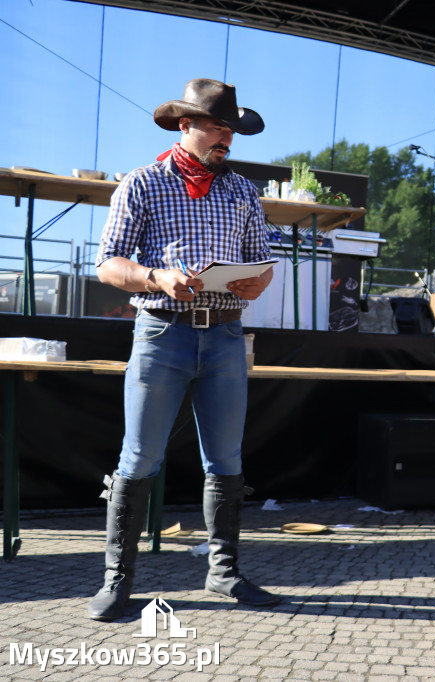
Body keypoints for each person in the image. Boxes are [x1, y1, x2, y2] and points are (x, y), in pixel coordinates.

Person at [87, 78, 280, 621]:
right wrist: (156, 276)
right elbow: (108, 263)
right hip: (161, 333)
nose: (226, 139)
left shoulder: (242, 190)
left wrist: (255, 283)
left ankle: (224, 574)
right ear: (184, 125)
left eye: (231, 131)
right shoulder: (142, 184)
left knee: (226, 460)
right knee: (139, 458)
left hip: (224, 334)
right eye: (218, 128)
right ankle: (117, 581)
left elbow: (261, 262)